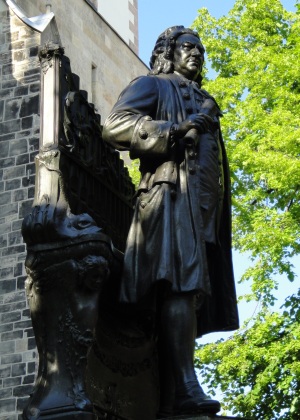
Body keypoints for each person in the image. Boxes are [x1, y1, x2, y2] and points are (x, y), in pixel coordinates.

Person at [103, 25, 239, 417]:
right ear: (169, 51)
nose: (196, 53)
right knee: (181, 284)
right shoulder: (153, 85)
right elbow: (115, 124)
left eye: (200, 49)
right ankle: (182, 386)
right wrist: (172, 130)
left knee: (191, 290)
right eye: (187, 47)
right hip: (169, 195)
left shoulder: (205, 100)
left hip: (201, 208)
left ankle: (175, 384)